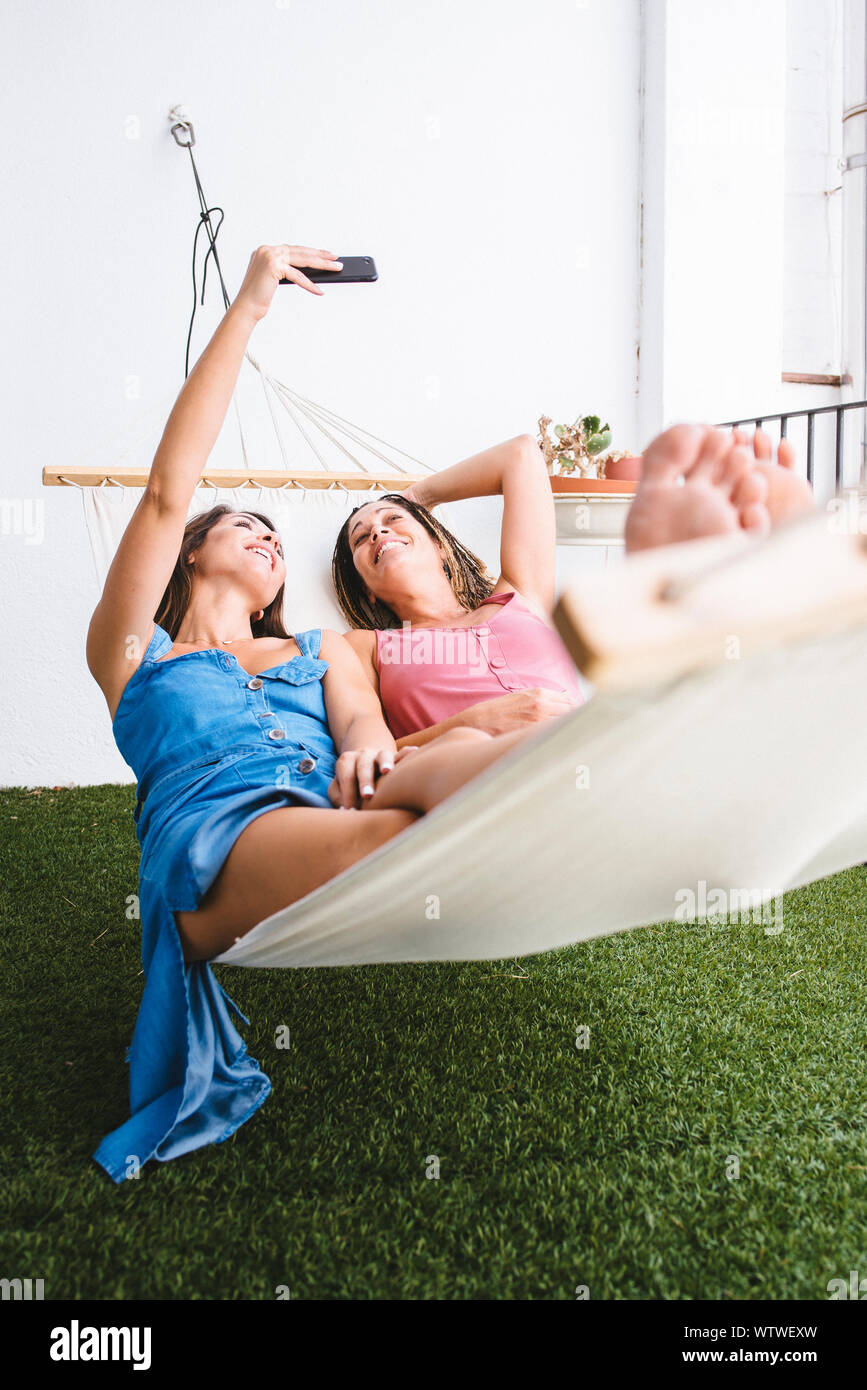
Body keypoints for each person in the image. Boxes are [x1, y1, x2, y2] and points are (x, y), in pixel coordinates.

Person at [85, 243, 549, 1183]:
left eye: (275, 538)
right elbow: (168, 487)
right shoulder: (137, 654)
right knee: (396, 839)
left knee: (489, 752)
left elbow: (364, 732)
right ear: (190, 553)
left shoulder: (316, 649)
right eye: (242, 524)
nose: (266, 537)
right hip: (219, 839)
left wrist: (401, 743)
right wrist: (250, 305)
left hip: (332, 789)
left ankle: (585, 770)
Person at [332, 419, 815, 746]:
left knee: (667, 701)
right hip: (473, 778)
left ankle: (718, 579)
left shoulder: (521, 594)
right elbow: (366, 753)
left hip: (587, 745)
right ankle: (690, 577)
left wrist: (419, 495)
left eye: (394, 520)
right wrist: (470, 725)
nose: (379, 531)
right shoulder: (366, 649)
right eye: (362, 538)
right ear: (366, 588)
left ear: (438, 543)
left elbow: (521, 456)